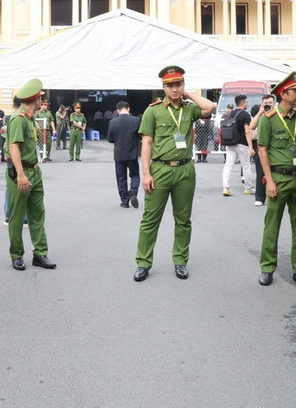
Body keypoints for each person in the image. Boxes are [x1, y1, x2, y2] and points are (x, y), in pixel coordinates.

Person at [134, 65, 215, 282]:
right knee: (150, 219)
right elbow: (147, 142)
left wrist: (189, 94)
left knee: (183, 219)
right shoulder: (154, 110)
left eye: (178, 84)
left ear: (183, 85)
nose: (174, 89)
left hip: (185, 170)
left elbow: (210, 107)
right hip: (160, 169)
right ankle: (143, 262)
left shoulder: (189, 109)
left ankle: (180, 261)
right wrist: (146, 173)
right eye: (170, 85)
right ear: (163, 87)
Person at [257, 71, 296, 287]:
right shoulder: (269, 119)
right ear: (283, 94)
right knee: (272, 225)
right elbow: (263, 151)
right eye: (295, 91)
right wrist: (270, 181)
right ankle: (267, 268)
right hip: (279, 177)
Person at [6, 79, 56, 271]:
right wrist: (20, 175)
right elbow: (13, 147)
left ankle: (40, 253)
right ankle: (17, 255)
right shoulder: (18, 119)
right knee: (17, 216)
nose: (42, 101)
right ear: (34, 100)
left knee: (37, 214)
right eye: (40, 98)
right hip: (22, 172)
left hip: (34, 171)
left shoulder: (29, 117)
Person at [107, 101, 141, 208]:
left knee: (121, 177)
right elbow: (140, 136)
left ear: (118, 110)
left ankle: (124, 201)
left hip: (119, 154)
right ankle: (133, 190)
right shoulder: (136, 120)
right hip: (132, 153)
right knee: (135, 175)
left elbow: (110, 139)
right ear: (128, 109)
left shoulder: (113, 122)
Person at [221, 94, 254, 197]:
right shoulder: (245, 115)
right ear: (243, 102)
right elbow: (247, 132)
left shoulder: (230, 114)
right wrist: (251, 147)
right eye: (247, 102)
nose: (247, 104)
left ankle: (225, 187)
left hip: (230, 143)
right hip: (242, 144)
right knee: (246, 165)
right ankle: (248, 188)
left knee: (228, 165)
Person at [249, 95, 275, 207]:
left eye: (270, 102)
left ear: (274, 103)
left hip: (275, 149)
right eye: (266, 103)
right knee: (260, 173)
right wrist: (260, 112)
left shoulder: (279, 114)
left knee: (276, 173)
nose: (268, 104)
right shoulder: (261, 114)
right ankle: (259, 197)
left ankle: (275, 196)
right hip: (262, 148)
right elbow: (251, 126)